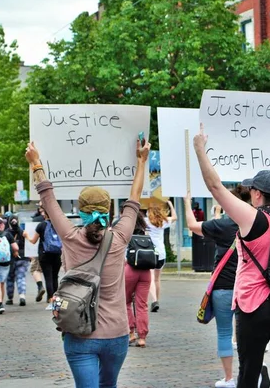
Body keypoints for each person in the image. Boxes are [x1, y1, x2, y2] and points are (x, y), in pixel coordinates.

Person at [25, 136, 149, 388]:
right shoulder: (121, 236)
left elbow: (48, 198)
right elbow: (133, 200)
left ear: (80, 210)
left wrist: (36, 163)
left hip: (80, 333)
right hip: (117, 334)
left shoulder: (69, 236)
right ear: (108, 212)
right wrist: (141, 161)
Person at [193, 124, 270, 388]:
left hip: (255, 306)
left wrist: (200, 149)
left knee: (249, 372)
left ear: (256, 194)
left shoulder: (252, 218)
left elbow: (215, 186)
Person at [185, 186, 250, 388]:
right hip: (247, 288)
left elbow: (192, 226)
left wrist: (187, 202)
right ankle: (251, 376)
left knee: (224, 333)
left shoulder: (222, 225)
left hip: (222, 288)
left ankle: (229, 379)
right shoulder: (255, 223)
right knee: (249, 335)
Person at [24, 206, 62, 310]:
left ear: (45, 214)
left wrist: (26, 236)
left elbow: (33, 241)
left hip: (45, 255)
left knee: (48, 278)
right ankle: (57, 302)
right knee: (55, 277)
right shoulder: (59, 225)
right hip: (57, 254)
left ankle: (51, 301)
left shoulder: (41, 225)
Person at [145, 200, 177, 312]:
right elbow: (175, 217)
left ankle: (154, 301)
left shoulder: (146, 222)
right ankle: (157, 300)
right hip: (161, 253)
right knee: (157, 279)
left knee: (151, 278)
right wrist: (171, 205)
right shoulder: (163, 221)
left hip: (149, 253)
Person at [125, 212, 151, 348]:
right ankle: (142, 337)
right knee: (142, 305)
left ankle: (131, 333)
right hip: (146, 271)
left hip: (130, 269)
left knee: (126, 302)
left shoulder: (124, 231)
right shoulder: (145, 231)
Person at [6, 214, 29, 306]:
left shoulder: (6, 233)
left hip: (10, 258)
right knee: (21, 277)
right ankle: (22, 296)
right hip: (23, 257)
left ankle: (10, 298)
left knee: (10, 278)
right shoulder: (23, 232)